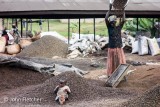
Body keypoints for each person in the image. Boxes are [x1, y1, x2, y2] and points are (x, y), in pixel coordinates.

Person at [105, 4, 126, 78]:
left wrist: (123, 12)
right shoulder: (109, 28)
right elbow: (105, 19)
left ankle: (121, 74)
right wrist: (109, 10)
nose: (113, 23)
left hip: (119, 47)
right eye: (112, 22)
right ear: (110, 22)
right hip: (112, 48)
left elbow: (123, 20)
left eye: (114, 22)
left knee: (120, 61)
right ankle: (111, 74)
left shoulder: (118, 28)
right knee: (112, 62)